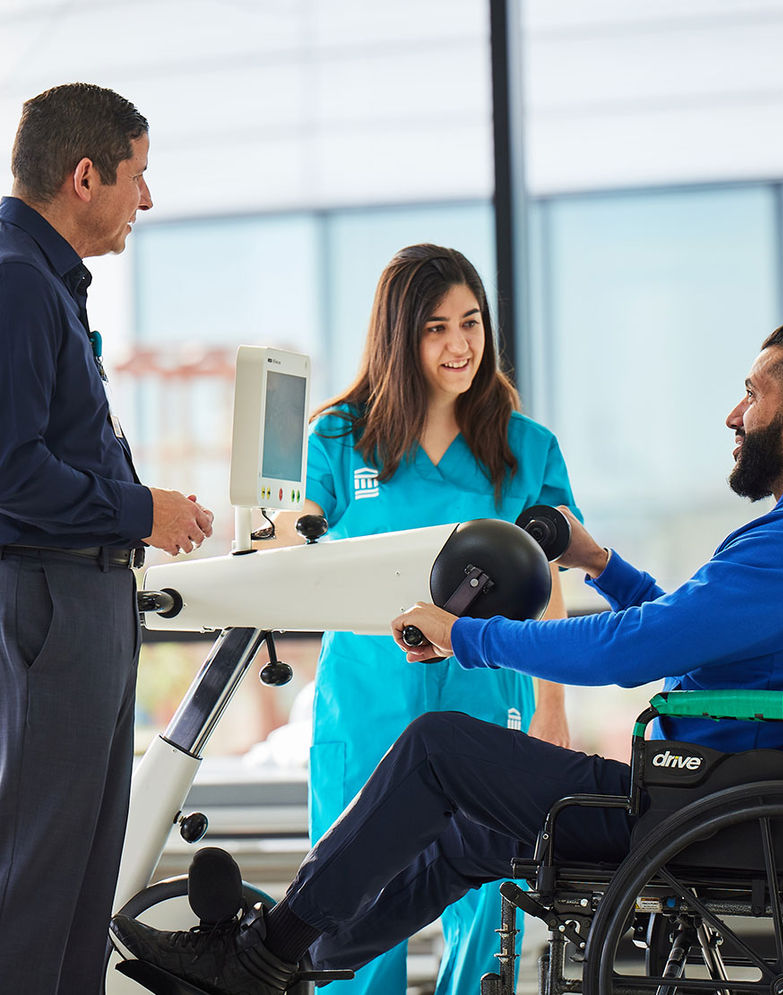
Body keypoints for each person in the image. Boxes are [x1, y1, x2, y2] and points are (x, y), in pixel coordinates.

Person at [112, 321, 783, 995]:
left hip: (694, 805)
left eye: (755, 393)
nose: (734, 413)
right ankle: (297, 963)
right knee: (471, 831)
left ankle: (256, 960)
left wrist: (467, 635)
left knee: (438, 749)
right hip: (742, 794)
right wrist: (601, 561)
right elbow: (694, 628)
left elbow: (636, 648)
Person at [0, 83, 215, 995]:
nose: (146, 198)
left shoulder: (36, 282)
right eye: (137, 175)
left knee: (79, 890)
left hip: (69, 599)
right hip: (36, 599)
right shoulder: (11, 282)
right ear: (84, 175)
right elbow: (7, 477)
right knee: (34, 881)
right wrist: (144, 511)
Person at [257, 243, 580, 995]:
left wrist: (555, 704)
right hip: (367, 693)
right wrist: (284, 524)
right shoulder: (340, 435)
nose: (460, 344)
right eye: (436, 328)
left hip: (485, 686)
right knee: (353, 896)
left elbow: (548, 578)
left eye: (470, 323)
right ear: (400, 336)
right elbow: (300, 516)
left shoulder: (525, 448)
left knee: (483, 898)